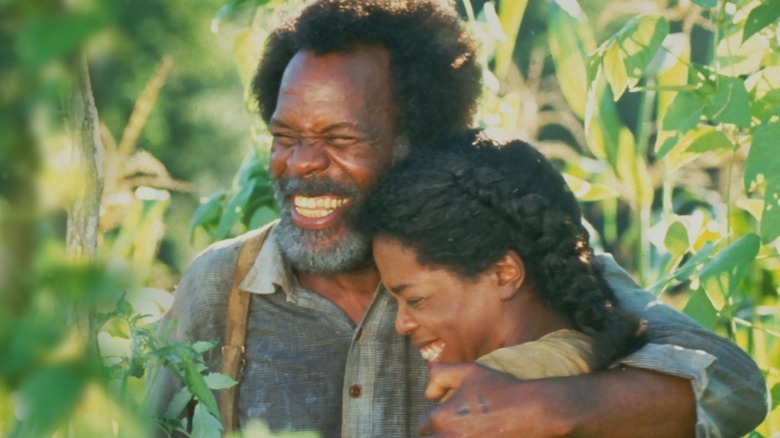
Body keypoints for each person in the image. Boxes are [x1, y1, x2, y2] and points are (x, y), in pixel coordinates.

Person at [148, 1, 769, 437]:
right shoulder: (223, 285)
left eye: (341, 137)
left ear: (417, 141)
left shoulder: (505, 272)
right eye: (285, 136)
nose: (303, 164)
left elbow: (733, 387)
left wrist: (541, 406)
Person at [357, 130, 648, 392]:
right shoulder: (598, 365)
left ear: (504, 274)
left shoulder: (493, 392)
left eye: (416, 300)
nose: (401, 325)